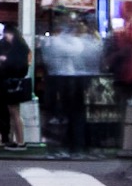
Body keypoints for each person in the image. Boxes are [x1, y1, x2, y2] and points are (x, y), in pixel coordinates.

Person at [41, 15, 96, 158]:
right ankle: (70, 146)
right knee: (71, 114)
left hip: (62, 79)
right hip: (65, 80)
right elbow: (77, 50)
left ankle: (67, 145)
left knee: (67, 114)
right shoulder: (58, 42)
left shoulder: (53, 42)